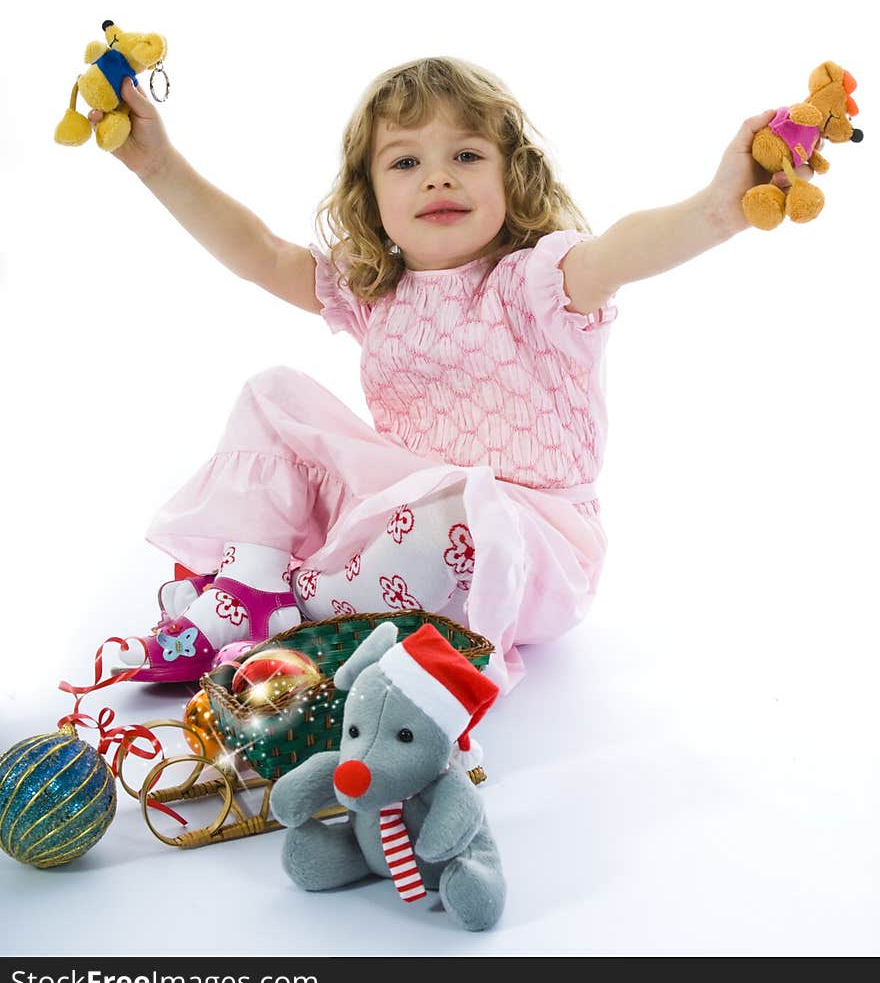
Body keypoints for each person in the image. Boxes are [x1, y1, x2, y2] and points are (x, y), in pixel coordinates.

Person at [89, 57, 815, 692]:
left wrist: (719, 209)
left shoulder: (538, 283)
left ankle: (300, 619)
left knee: (463, 506)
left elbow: (622, 250)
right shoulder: (377, 292)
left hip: (531, 544)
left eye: (466, 155)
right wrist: (159, 165)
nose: (437, 174)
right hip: (408, 515)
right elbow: (260, 250)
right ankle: (250, 593)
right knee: (273, 391)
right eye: (404, 162)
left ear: (512, 178)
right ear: (370, 197)